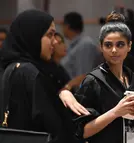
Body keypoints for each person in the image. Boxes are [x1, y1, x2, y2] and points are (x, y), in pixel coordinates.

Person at [0, 9, 87, 143]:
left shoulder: (12, 68)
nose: (55, 42)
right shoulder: (30, 72)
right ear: (32, 35)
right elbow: (55, 129)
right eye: (49, 35)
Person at [72, 11, 134, 143]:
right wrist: (115, 112)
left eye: (120, 44)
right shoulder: (93, 81)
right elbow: (81, 132)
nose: (114, 50)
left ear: (129, 46)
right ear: (101, 47)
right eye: (108, 45)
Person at [61, 12, 102, 78]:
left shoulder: (85, 45)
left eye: (62, 25)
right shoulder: (73, 46)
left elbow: (83, 76)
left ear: (67, 26)